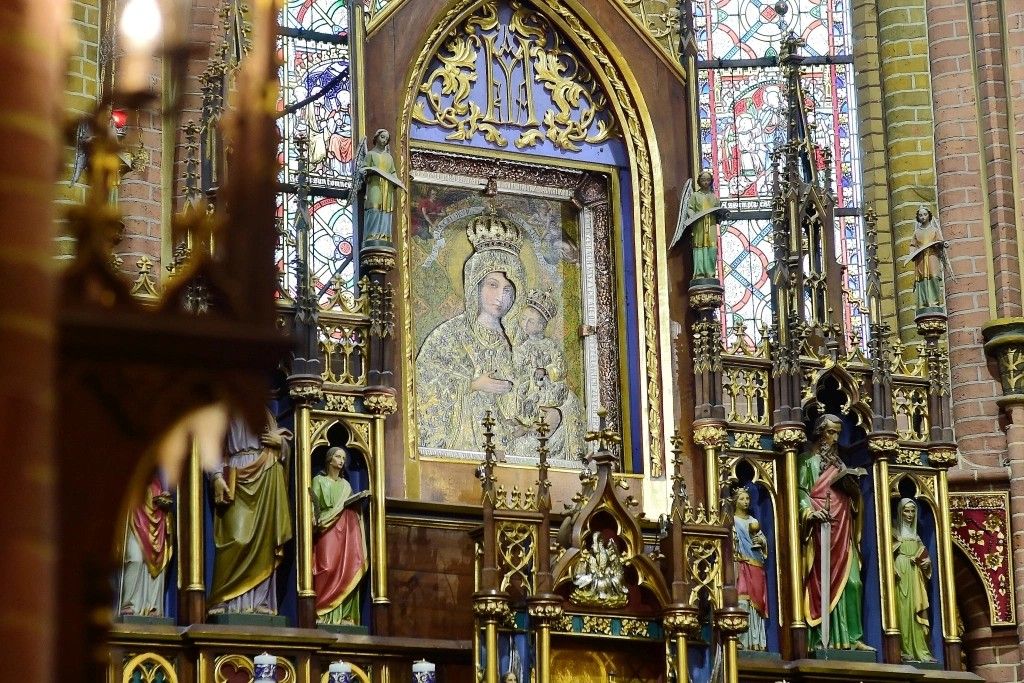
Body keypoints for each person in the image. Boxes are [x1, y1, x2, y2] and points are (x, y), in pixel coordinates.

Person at [416, 214, 525, 453]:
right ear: (475, 285)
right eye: (493, 285)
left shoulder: (517, 342)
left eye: (508, 289)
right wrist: (474, 385)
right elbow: (424, 383)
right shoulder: (449, 335)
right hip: (463, 440)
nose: (501, 297)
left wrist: (520, 420)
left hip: (505, 445)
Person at [798, 414, 873, 651]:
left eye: (838, 433)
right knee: (821, 582)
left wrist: (854, 493)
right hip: (821, 530)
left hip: (843, 527)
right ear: (820, 433)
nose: (835, 438)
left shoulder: (840, 465)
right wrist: (809, 512)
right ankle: (821, 637)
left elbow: (851, 498)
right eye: (831, 432)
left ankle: (853, 637)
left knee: (854, 583)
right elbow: (800, 492)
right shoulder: (806, 461)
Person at [208, 412, 293, 616]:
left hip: (267, 472)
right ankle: (225, 597)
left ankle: (260, 601)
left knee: (266, 539)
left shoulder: (265, 412)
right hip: (236, 473)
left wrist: (281, 444)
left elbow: (284, 450)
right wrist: (216, 475)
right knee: (237, 539)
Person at [507, 289, 583, 462]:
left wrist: (547, 371)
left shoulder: (550, 346)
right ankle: (527, 428)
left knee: (553, 411)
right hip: (529, 391)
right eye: (524, 319)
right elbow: (517, 370)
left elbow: (561, 367)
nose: (525, 324)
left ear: (541, 325)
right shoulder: (521, 348)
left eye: (531, 321)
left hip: (550, 390)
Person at [311, 446, 369, 625]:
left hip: (345, 531)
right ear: (329, 459)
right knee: (327, 567)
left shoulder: (346, 485)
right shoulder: (318, 480)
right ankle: (322, 611)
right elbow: (313, 503)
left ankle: (344, 615)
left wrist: (357, 502)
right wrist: (313, 516)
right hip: (326, 528)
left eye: (343, 458)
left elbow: (350, 507)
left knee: (348, 567)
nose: (341, 461)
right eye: (338, 456)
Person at [118, 473, 173, 617]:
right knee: (135, 558)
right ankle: (129, 604)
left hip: (156, 509)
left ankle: (152, 607)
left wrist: (165, 496)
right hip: (135, 507)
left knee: (157, 558)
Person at [893, 498, 936, 662]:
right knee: (904, 611)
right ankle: (905, 649)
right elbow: (886, 555)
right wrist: (893, 567)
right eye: (906, 511)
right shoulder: (895, 532)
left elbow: (924, 556)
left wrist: (926, 562)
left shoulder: (916, 537)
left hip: (915, 574)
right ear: (900, 512)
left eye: (912, 511)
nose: (910, 514)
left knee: (918, 610)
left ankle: (922, 650)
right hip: (902, 572)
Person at [670, 169, 729, 282]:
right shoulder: (695, 196)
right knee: (699, 247)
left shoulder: (714, 197)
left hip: (711, 225)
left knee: (711, 247)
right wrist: (694, 216)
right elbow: (690, 208)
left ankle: (710, 273)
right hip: (699, 226)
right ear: (699, 181)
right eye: (703, 180)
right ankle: (699, 273)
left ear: (711, 181)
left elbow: (717, 211)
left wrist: (722, 214)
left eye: (708, 180)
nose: (705, 182)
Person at [733, 488, 768, 651]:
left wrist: (761, 541)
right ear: (735, 501)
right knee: (742, 600)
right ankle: (741, 639)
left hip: (756, 566)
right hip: (741, 565)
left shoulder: (753, 521)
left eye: (747, 498)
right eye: (742, 499)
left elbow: (763, 541)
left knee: (756, 604)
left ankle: (756, 642)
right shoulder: (733, 521)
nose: (746, 501)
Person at [357, 129, 405, 246]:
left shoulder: (389, 157)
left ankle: (384, 236)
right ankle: (371, 235)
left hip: (387, 189)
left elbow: (392, 172)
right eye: (382, 137)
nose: (384, 140)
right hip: (374, 186)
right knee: (374, 208)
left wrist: (397, 182)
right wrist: (369, 171)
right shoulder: (370, 154)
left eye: (386, 139)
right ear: (376, 137)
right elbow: (362, 169)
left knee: (385, 211)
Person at [908, 205, 947, 312]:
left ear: (929, 215)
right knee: (922, 280)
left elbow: (940, 242)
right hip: (921, 259)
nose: (923, 217)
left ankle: (935, 302)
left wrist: (941, 244)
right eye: (920, 215)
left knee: (933, 277)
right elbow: (912, 245)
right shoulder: (916, 232)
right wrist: (912, 252)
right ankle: (923, 303)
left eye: (925, 214)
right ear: (918, 217)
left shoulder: (934, 230)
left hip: (932, 256)